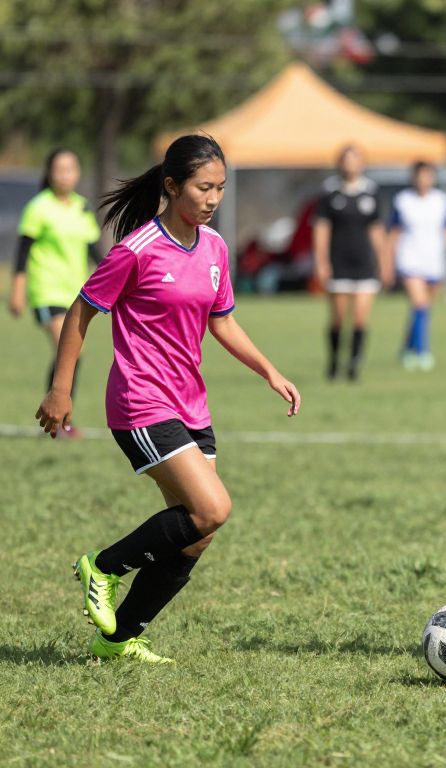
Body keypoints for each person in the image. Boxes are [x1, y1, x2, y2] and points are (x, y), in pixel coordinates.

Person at [35, 135, 301, 664]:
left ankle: (118, 639)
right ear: (172, 185)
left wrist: (268, 370)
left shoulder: (215, 248)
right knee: (213, 508)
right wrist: (61, 389)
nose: (213, 199)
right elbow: (82, 311)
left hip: (189, 405)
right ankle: (103, 567)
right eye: (204, 187)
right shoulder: (136, 249)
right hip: (140, 401)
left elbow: (221, 321)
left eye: (221, 189)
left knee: (196, 534)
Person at [8, 148, 100, 430]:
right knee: (69, 351)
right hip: (46, 290)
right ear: (49, 173)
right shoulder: (38, 207)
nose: (65, 174)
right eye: (59, 169)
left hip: (76, 293)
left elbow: (94, 250)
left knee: (72, 353)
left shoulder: (82, 207)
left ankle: (58, 418)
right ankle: (58, 419)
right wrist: (17, 290)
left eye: (71, 168)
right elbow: (23, 252)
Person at [384, 161, 446, 371]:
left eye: (427, 176)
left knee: (422, 310)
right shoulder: (403, 200)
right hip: (409, 260)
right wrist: (387, 263)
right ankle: (423, 352)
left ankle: (407, 348)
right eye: (419, 176)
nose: (423, 180)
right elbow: (393, 234)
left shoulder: (441, 201)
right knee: (420, 304)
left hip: (434, 261)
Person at [313, 145, 387, 381]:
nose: (350, 164)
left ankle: (354, 366)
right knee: (337, 318)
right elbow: (322, 229)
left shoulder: (370, 192)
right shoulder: (330, 193)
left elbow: (376, 230)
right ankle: (334, 362)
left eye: (355, 160)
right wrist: (322, 261)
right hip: (338, 262)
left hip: (364, 263)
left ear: (362, 164)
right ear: (339, 163)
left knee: (360, 318)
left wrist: (384, 260)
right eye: (346, 160)